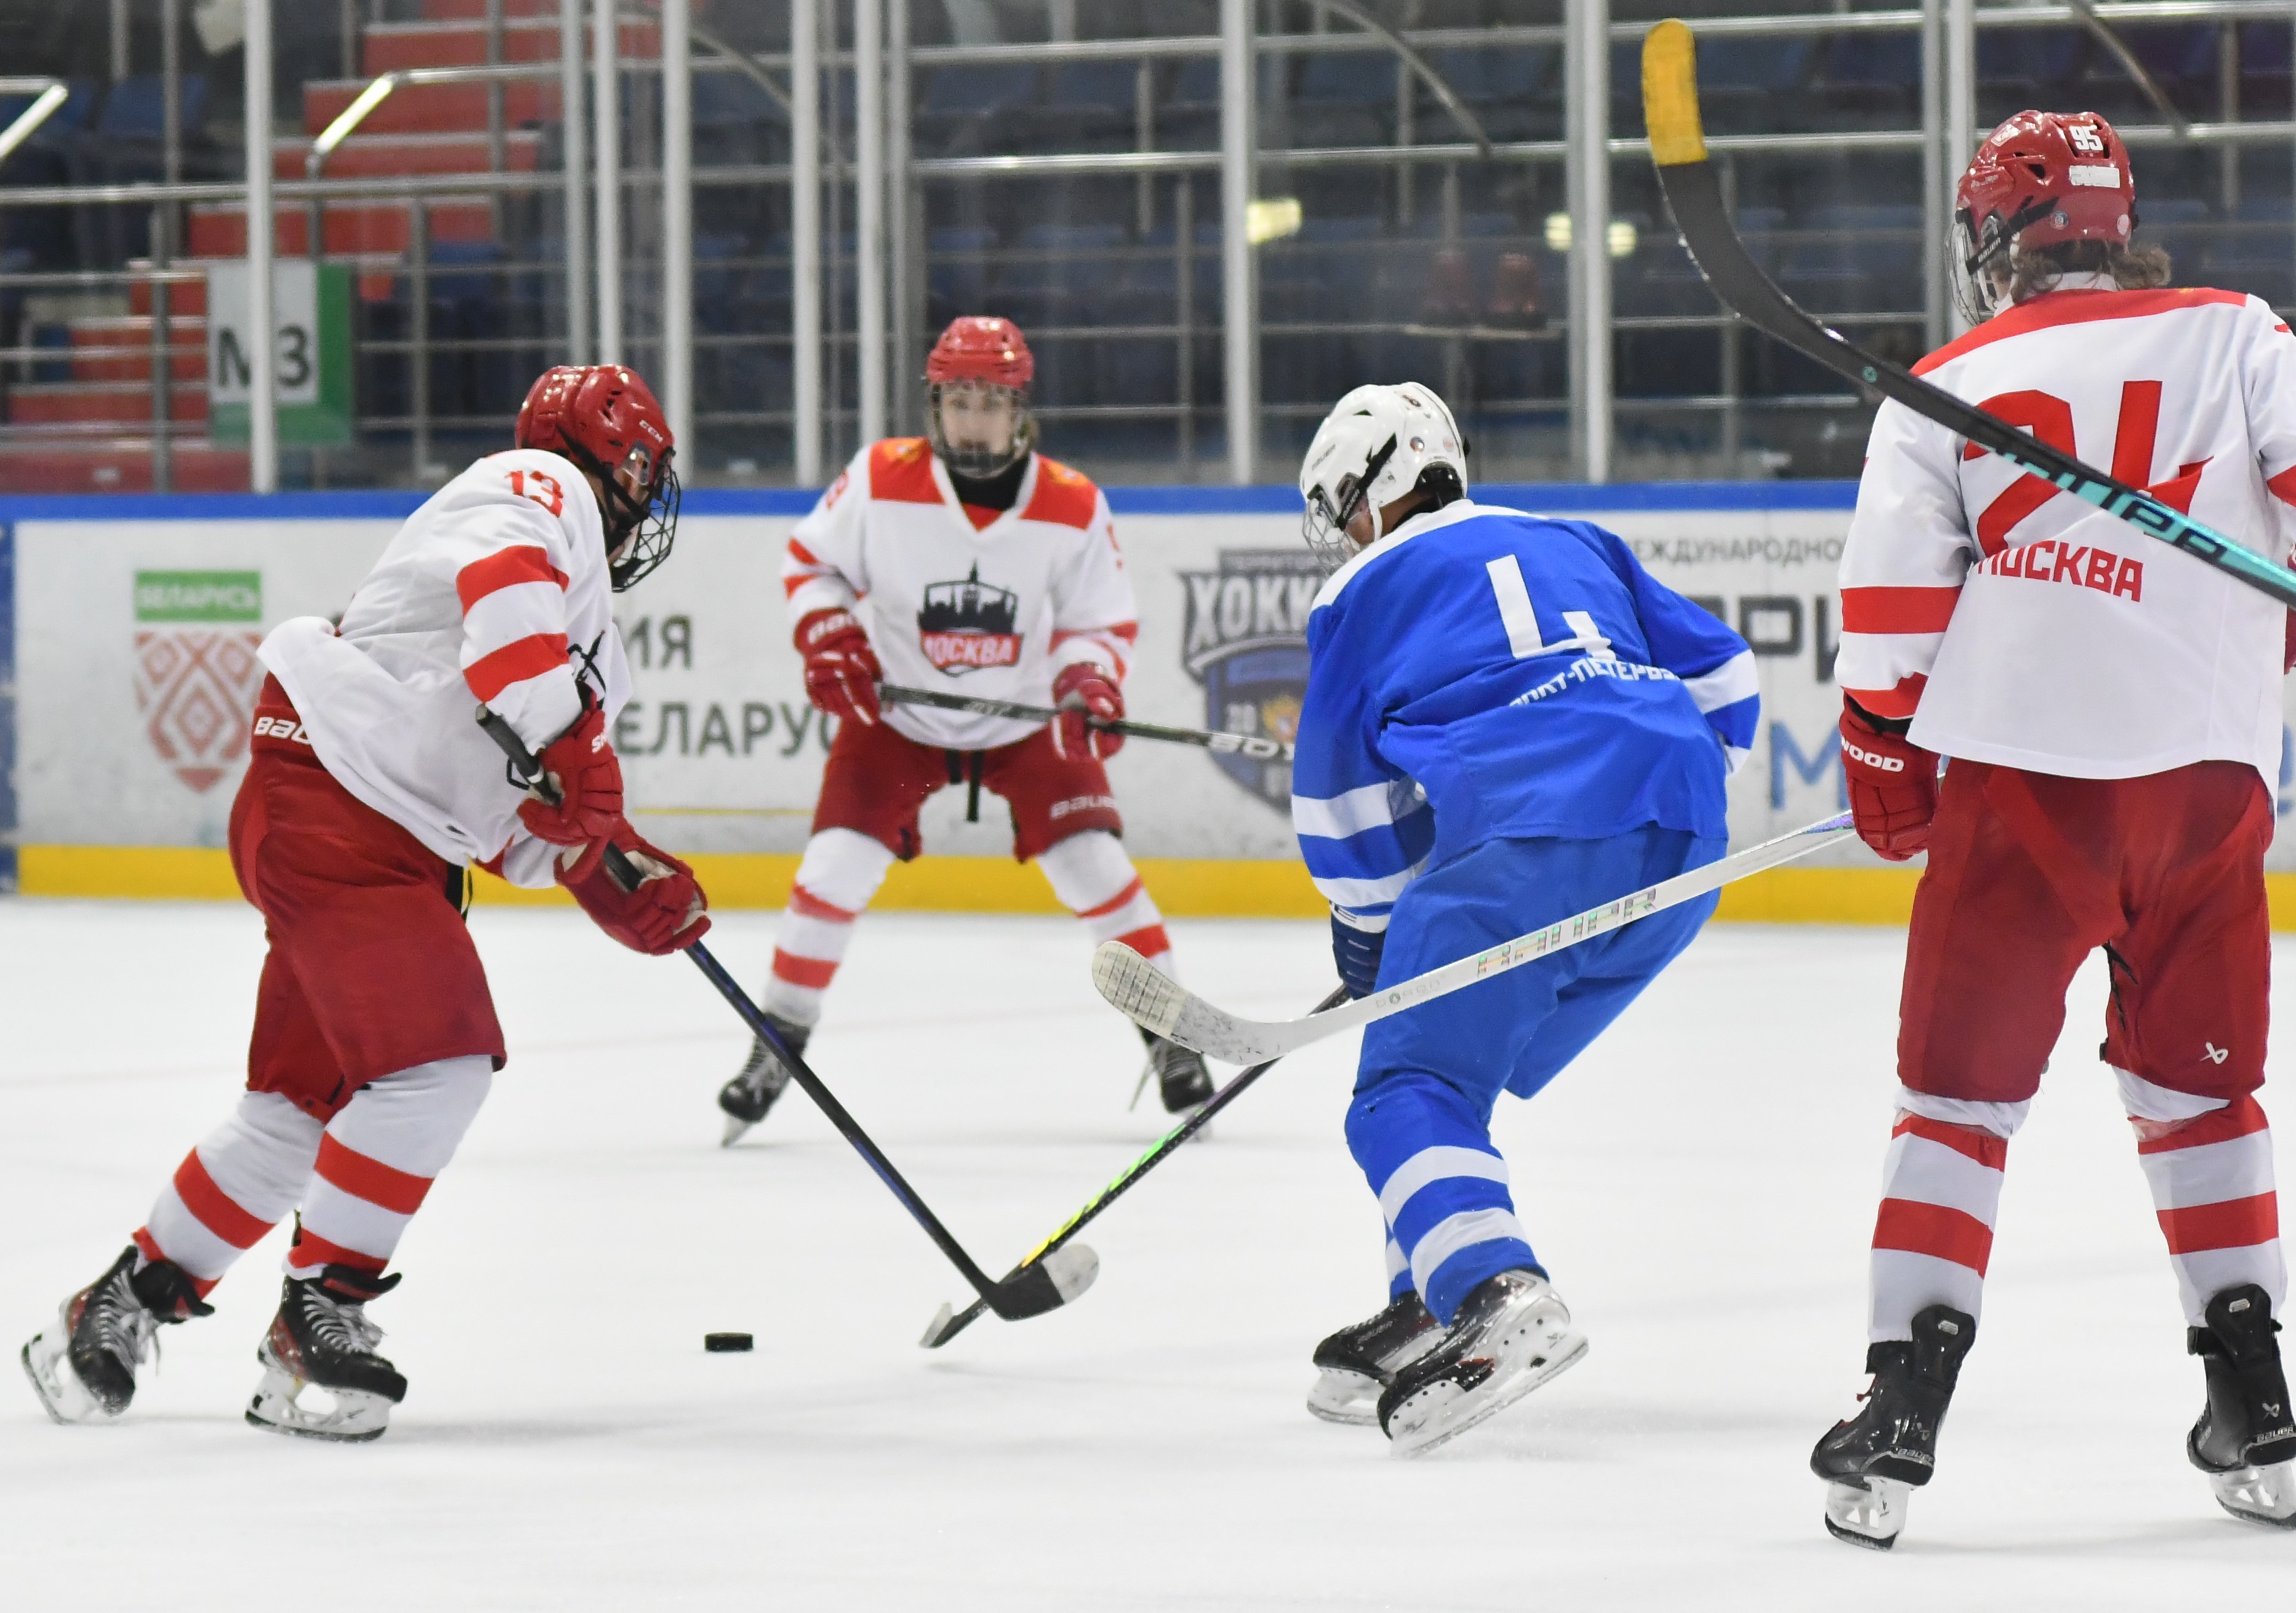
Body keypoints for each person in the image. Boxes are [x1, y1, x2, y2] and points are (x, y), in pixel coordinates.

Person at [20, 365, 708, 1442]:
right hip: (340, 806)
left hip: (353, 822)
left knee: (293, 1115)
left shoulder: (595, 641)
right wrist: (574, 751)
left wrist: (615, 873)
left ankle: (110, 1308)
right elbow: (506, 609)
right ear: (613, 462)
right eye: (642, 470)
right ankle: (316, 1323)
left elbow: (529, 816)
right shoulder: (538, 485)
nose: (644, 495)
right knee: (433, 1067)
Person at [1817, 109, 2296, 1547]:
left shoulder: (1951, 381)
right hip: (2215, 795)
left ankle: (1903, 1401)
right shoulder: (2240, 334)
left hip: (2028, 796)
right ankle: (2256, 1389)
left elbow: (1894, 607)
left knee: (1956, 1106)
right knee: (2202, 1095)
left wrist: (1881, 745)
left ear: (1996, 237)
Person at [1290, 382, 1760, 1454]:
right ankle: (1421, 1304)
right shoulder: (1572, 536)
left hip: (1530, 840)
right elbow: (1727, 678)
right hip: (1683, 842)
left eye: (1342, 506)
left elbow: (1341, 809)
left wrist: (1371, 939)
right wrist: (1658, 792)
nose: (1344, 534)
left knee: (1405, 1091)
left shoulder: (1360, 590)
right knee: (1457, 1077)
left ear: (1381, 486)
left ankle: (1491, 1292)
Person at [716, 316, 1213, 1143]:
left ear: (1021, 409)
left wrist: (1087, 680)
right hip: (899, 716)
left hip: (1023, 722)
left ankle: (1168, 1038)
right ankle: (778, 1039)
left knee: (1097, 866)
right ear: (934, 404)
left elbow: (1099, 620)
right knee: (831, 872)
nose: (973, 419)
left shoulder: (1072, 501)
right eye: (958, 399)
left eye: (990, 401)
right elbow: (811, 563)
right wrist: (831, 635)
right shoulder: (879, 479)